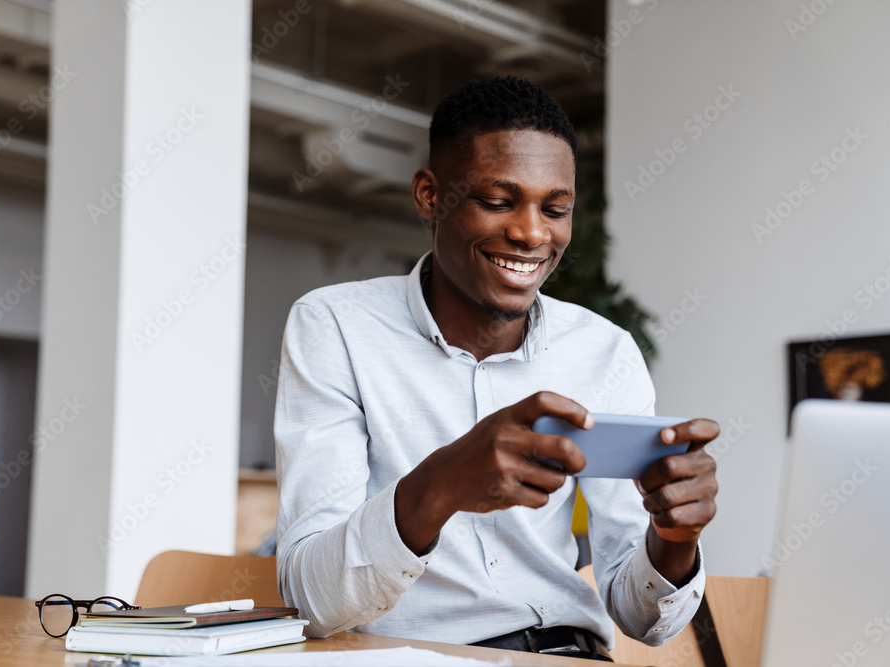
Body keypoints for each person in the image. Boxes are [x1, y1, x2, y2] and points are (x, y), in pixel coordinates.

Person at [274, 76, 719, 661]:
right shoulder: (335, 325)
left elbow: (645, 620)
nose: (533, 233)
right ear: (430, 195)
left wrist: (674, 538)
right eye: (498, 201)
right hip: (407, 655)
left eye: (555, 209)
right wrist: (443, 482)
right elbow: (310, 599)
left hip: (563, 654)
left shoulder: (604, 350)